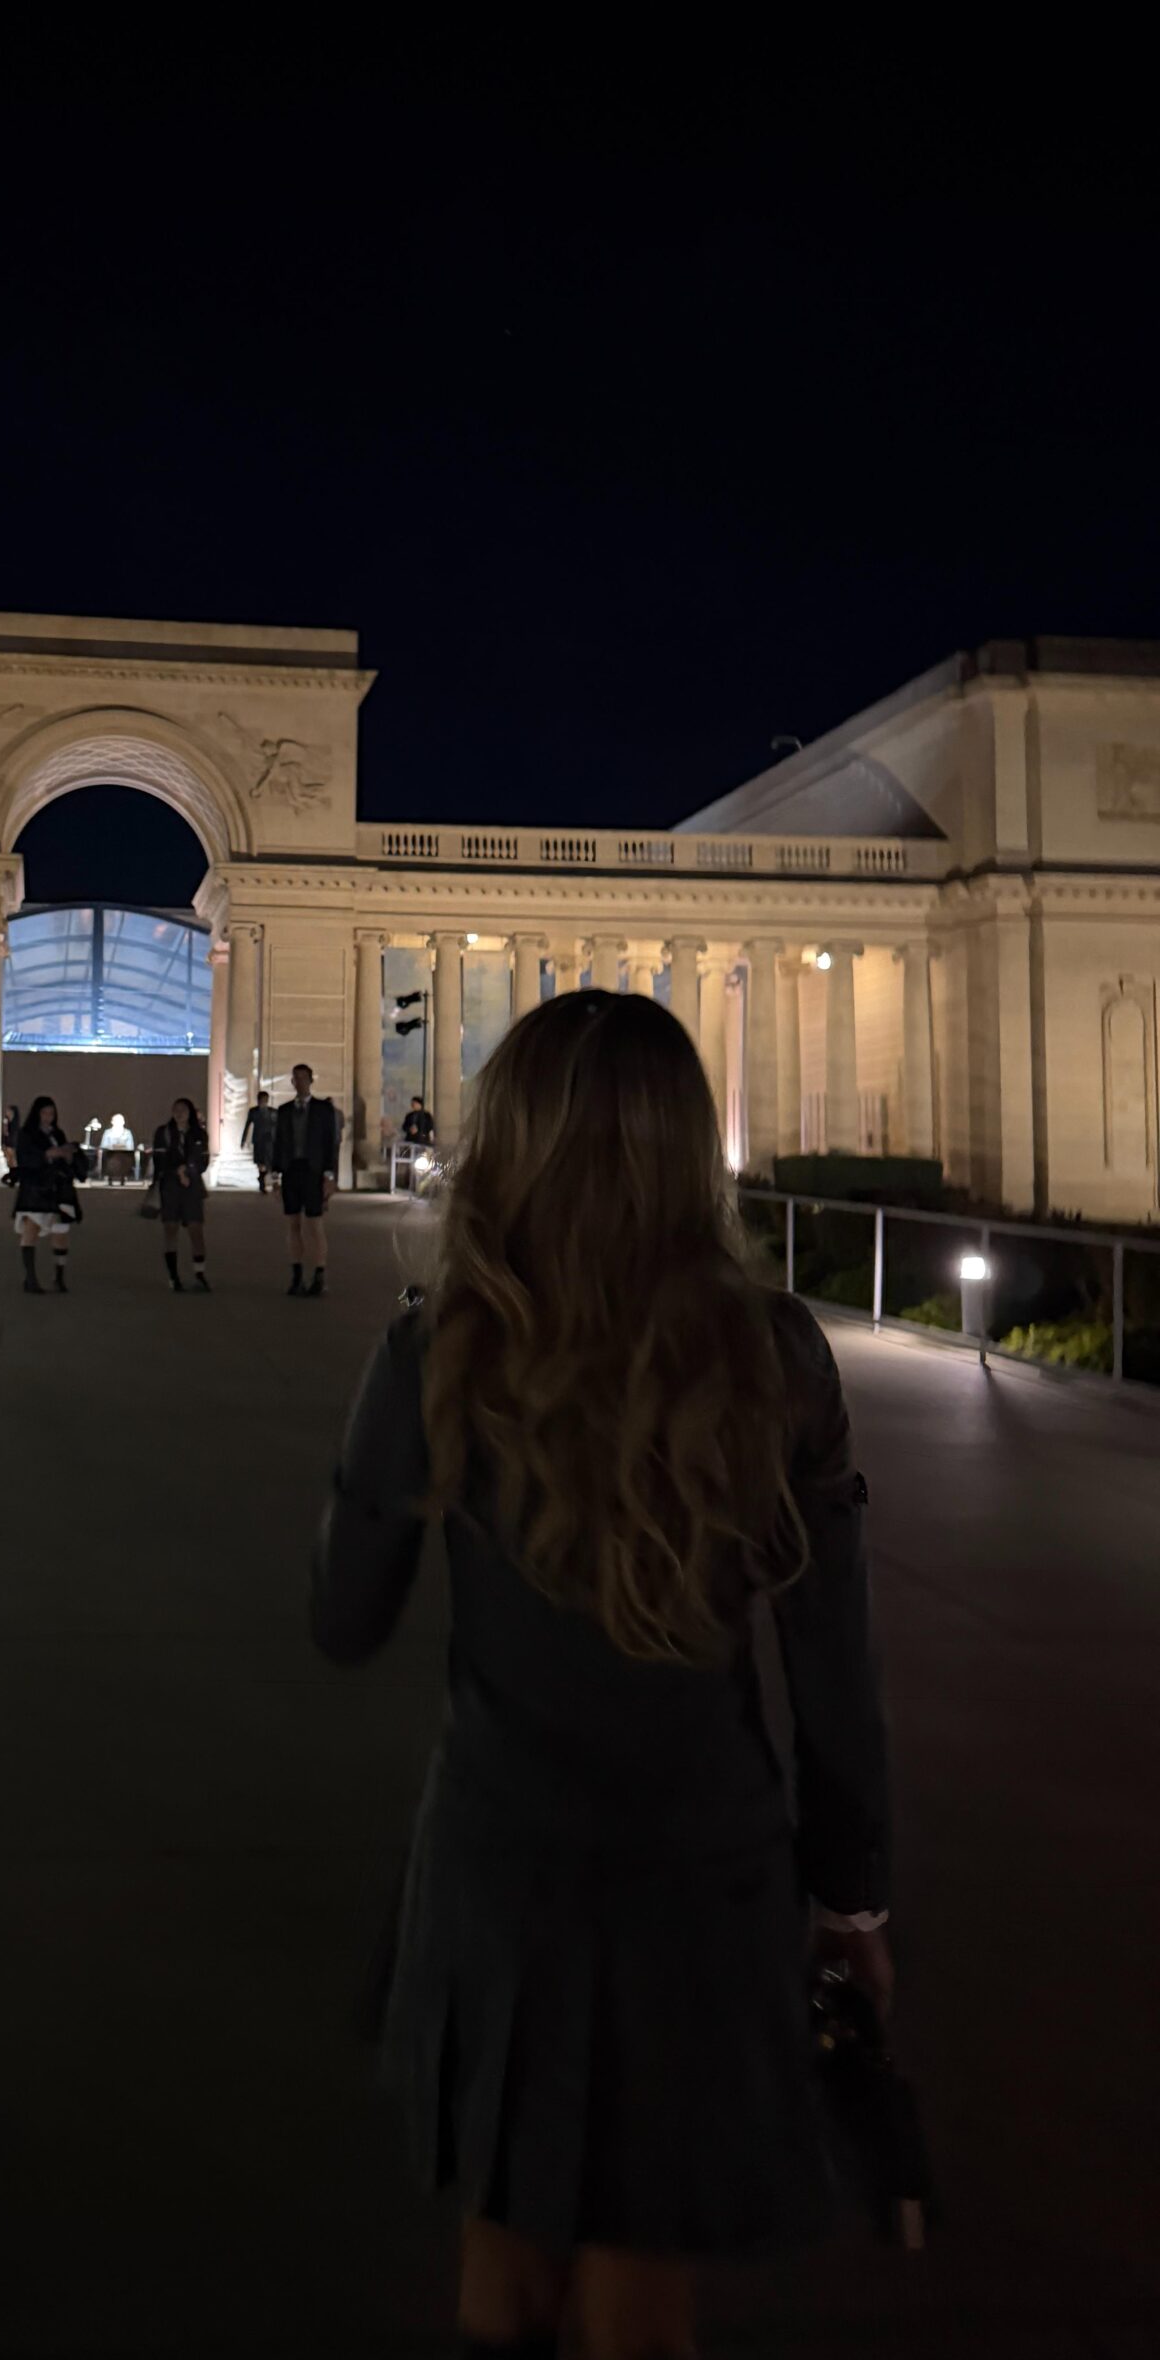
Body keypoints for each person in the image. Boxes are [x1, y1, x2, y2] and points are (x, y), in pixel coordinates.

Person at [311, 990, 891, 2360]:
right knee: (642, 2304)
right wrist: (854, 1899)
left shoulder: (441, 1348)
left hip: (501, 1867)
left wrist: (373, 1471)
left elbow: (343, 1620)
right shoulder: (776, 1356)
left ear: (509, 1145)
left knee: (502, 2277)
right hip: (705, 1881)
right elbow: (834, 1664)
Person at [272, 1061, 339, 1296]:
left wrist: (329, 1176)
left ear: (311, 1080)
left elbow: (331, 1143)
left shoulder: (324, 1109)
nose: (300, 1082)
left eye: (303, 1078)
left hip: (314, 1172)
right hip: (291, 1170)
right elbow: (278, 1144)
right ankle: (297, 1275)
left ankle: (319, 1274)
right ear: (292, 1082)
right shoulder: (283, 1111)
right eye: (296, 1078)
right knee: (293, 1224)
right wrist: (275, 1177)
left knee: (315, 1224)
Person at [10, 1096, 82, 1294]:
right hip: (36, 1188)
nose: (48, 1117)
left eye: (51, 1113)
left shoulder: (58, 1133)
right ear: (36, 1113)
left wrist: (67, 1155)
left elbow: (66, 1159)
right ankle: (30, 1278)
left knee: (61, 1231)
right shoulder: (27, 1134)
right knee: (31, 1229)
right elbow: (24, 1158)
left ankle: (59, 1277)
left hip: (58, 1188)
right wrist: (47, 1155)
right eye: (44, 1113)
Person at [150, 1095, 211, 1291]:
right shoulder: (163, 1132)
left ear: (190, 1112)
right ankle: (173, 1276)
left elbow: (203, 1162)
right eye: (175, 1110)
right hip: (170, 1187)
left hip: (192, 1187)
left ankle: (199, 1274)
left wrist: (188, 1169)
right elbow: (159, 1160)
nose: (179, 1113)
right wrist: (177, 1170)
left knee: (196, 1230)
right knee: (170, 1229)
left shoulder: (199, 1134)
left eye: (183, 1110)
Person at [242, 1086, 278, 1191]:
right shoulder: (253, 1111)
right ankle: (262, 1180)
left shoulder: (273, 1112)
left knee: (270, 1161)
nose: (262, 1102)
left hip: (269, 1140)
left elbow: (278, 1126)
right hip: (258, 1140)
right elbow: (247, 1125)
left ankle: (267, 1179)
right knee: (260, 1161)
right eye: (261, 1100)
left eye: (264, 1100)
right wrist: (243, 1140)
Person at [100, 1110, 136, 1185]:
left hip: (124, 1154)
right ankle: (109, 1177)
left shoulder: (127, 1133)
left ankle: (123, 1177)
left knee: (125, 1158)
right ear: (112, 1122)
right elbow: (104, 1145)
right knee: (108, 1158)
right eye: (116, 1121)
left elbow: (130, 1146)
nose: (119, 1122)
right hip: (110, 1154)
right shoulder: (108, 1133)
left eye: (120, 1121)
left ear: (123, 1122)